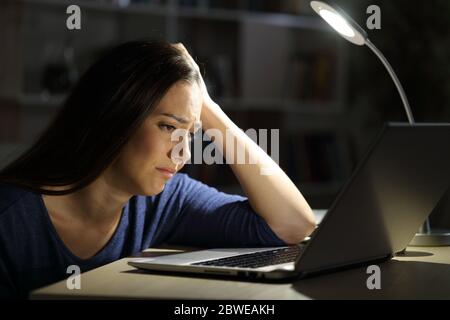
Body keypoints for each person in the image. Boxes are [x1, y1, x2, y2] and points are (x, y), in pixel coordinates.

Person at [0, 40, 315, 298]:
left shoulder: (164, 199)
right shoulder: (10, 221)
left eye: (190, 134)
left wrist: (207, 107)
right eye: (168, 127)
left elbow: (293, 224)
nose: (183, 153)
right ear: (113, 116)